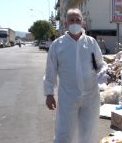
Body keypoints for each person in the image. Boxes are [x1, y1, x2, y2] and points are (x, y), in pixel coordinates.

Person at [43, 8, 107, 143]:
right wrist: (49, 94)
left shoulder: (91, 42)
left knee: (88, 132)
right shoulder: (58, 45)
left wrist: (101, 72)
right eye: (71, 20)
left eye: (78, 20)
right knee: (64, 132)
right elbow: (50, 71)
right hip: (68, 96)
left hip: (90, 96)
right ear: (65, 23)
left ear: (83, 23)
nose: (75, 23)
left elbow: (100, 64)